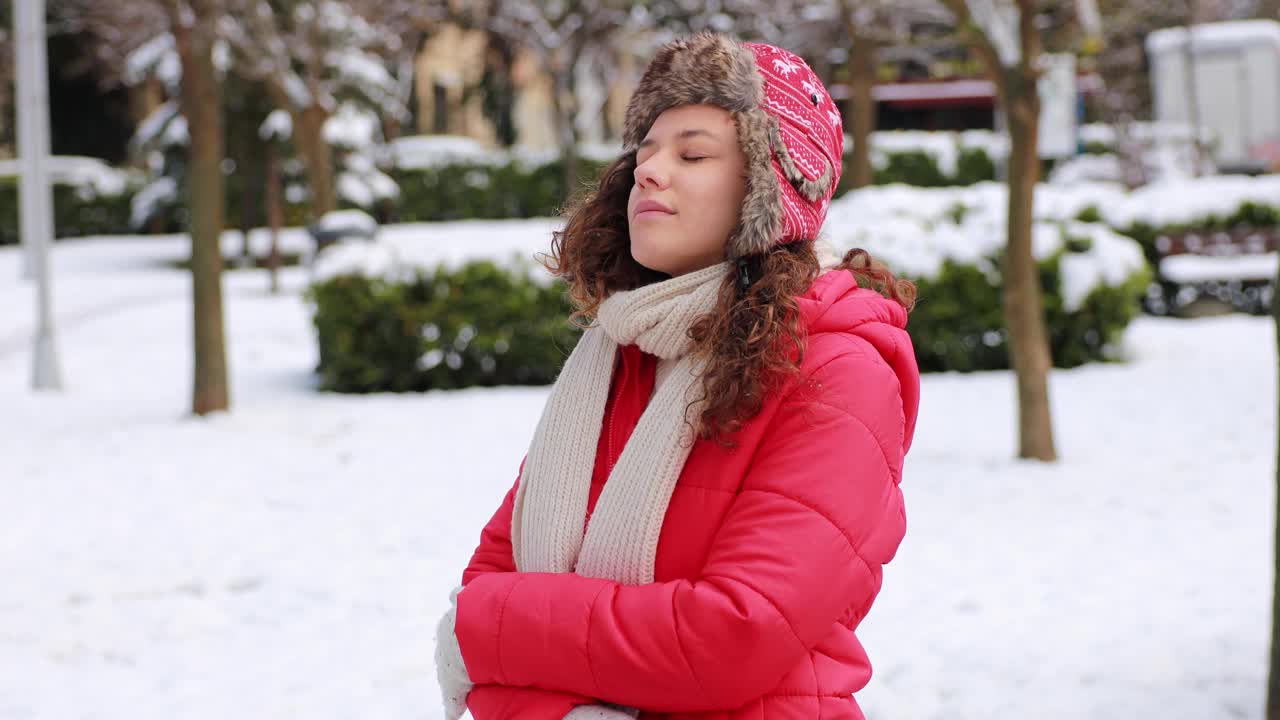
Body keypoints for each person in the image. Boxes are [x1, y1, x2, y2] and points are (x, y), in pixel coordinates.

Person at [435, 32, 920, 720]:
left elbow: (733, 637)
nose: (649, 171)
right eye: (645, 150)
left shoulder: (836, 371)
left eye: (692, 153)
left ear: (766, 188)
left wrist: (499, 635)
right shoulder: (620, 353)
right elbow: (497, 569)